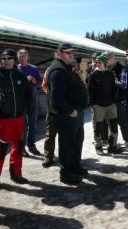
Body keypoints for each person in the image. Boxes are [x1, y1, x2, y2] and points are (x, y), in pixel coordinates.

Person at [0, 49, 31, 189]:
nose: (5, 60)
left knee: (18, 147)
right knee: (2, 148)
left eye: (9, 58)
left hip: (19, 118)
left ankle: (16, 173)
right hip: (4, 118)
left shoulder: (20, 76)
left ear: (14, 60)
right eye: (3, 58)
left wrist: (25, 108)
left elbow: (28, 93)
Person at [46, 43, 89, 185]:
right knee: (67, 143)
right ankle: (66, 173)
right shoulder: (57, 70)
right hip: (67, 115)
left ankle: (75, 166)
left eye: (73, 52)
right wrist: (70, 111)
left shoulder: (66, 67)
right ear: (59, 53)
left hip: (76, 112)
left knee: (77, 141)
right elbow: (57, 97)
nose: (72, 55)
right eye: (68, 52)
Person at [88, 52, 123, 155]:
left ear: (104, 62)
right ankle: (98, 146)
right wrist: (92, 104)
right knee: (98, 127)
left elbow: (114, 88)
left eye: (99, 62)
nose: (97, 63)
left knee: (114, 127)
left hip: (110, 105)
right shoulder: (93, 75)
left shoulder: (110, 73)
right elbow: (90, 91)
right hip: (98, 106)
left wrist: (113, 100)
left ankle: (112, 146)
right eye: (97, 62)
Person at [17, 49, 43, 156]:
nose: (22, 58)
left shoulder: (33, 68)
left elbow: (40, 82)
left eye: (23, 56)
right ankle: (21, 147)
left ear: (27, 57)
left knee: (32, 124)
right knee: (21, 125)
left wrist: (34, 81)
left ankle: (31, 145)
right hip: (20, 100)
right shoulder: (16, 68)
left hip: (32, 99)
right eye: (20, 56)